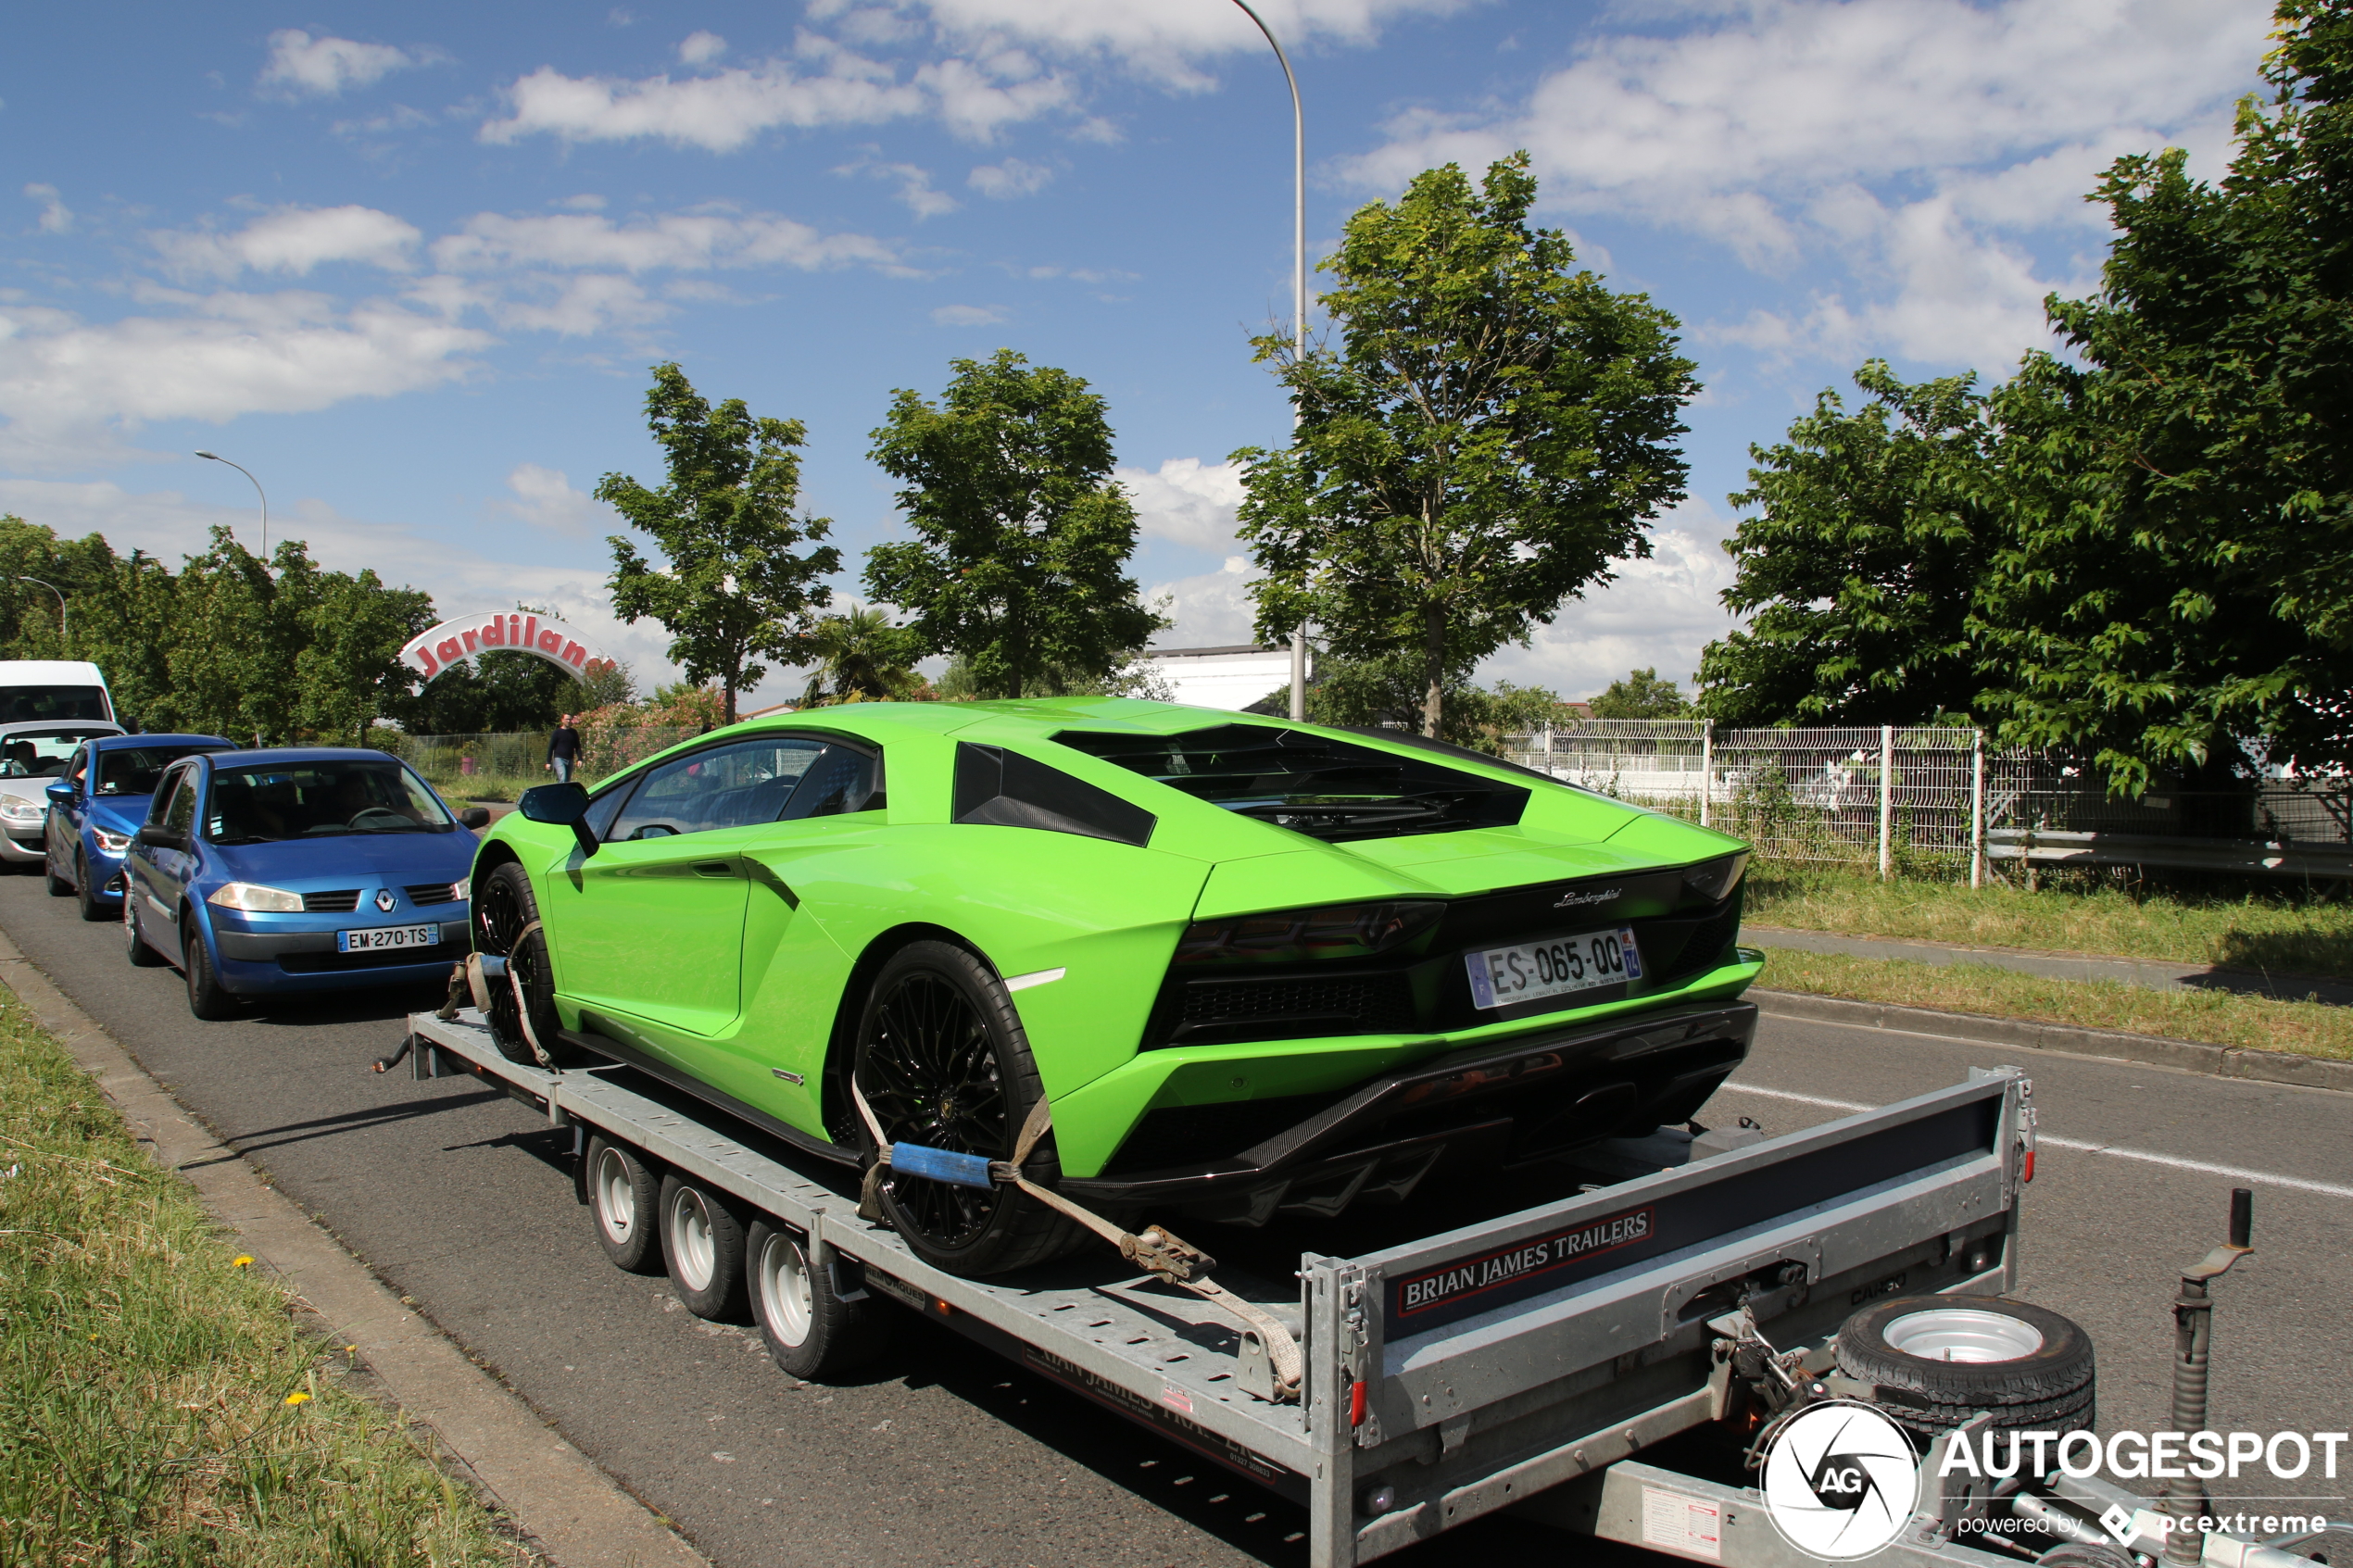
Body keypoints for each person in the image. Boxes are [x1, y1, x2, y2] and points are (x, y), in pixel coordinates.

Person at [546, 715, 581, 784]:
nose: (568, 721)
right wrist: (548, 762)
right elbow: (551, 747)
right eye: (567, 719)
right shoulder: (557, 733)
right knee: (563, 779)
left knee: (567, 781)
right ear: (562, 720)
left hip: (570, 759)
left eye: (570, 719)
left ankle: (563, 793)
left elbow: (578, 746)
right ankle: (560, 793)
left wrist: (580, 759)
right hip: (559, 759)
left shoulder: (574, 732)